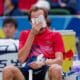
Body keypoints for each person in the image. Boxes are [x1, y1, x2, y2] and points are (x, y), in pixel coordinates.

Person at [3, 7, 64, 80]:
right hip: (27, 69)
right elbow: (21, 59)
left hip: (46, 68)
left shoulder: (55, 35)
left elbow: (59, 60)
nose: (39, 22)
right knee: (7, 70)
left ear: (45, 19)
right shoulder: (25, 34)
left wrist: (43, 63)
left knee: (56, 68)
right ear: (30, 22)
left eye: (40, 18)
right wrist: (32, 34)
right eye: (35, 19)